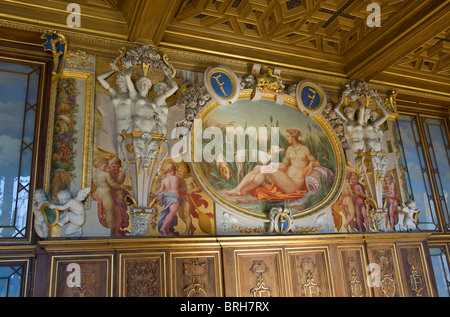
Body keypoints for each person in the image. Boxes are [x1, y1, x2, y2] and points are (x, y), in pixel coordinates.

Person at [225, 129, 321, 201]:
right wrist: (273, 165)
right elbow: (283, 165)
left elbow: (317, 163)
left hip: (293, 185)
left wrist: (311, 164)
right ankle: (242, 190)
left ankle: (238, 189)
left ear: (294, 137)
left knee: (263, 169)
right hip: (285, 180)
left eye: (288, 136)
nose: (287, 138)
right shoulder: (289, 149)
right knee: (259, 169)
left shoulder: (304, 149)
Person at [91, 156, 124, 236]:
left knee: (103, 212)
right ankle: (110, 233)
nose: (106, 168)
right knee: (109, 213)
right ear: (99, 165)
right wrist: (121, 187)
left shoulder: (93, 174)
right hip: (105, 195)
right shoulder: (105, 174)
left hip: (97, 193)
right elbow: (112, 184)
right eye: (104, 166)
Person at [151, 162, 182, 236]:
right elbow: (181, 187)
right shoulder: (177, 178)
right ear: (171, 170)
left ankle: (167, 231)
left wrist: (154, 194)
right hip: (174, 198)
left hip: (167, 197)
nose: (175, 171)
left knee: (169, 213)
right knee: (172, 213)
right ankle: (163, 228)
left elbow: (161, 190)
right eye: (174, 170)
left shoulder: (164, 180)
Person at [125, 69, 157, 133]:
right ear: (139, 86)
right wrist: (130, 67)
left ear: (149, 87)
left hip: (152, 127)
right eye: (143, 84)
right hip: (139, 125)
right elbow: (127, 77)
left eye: (147, 84)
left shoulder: (152, 101)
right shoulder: (135, 96)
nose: (145, 86)